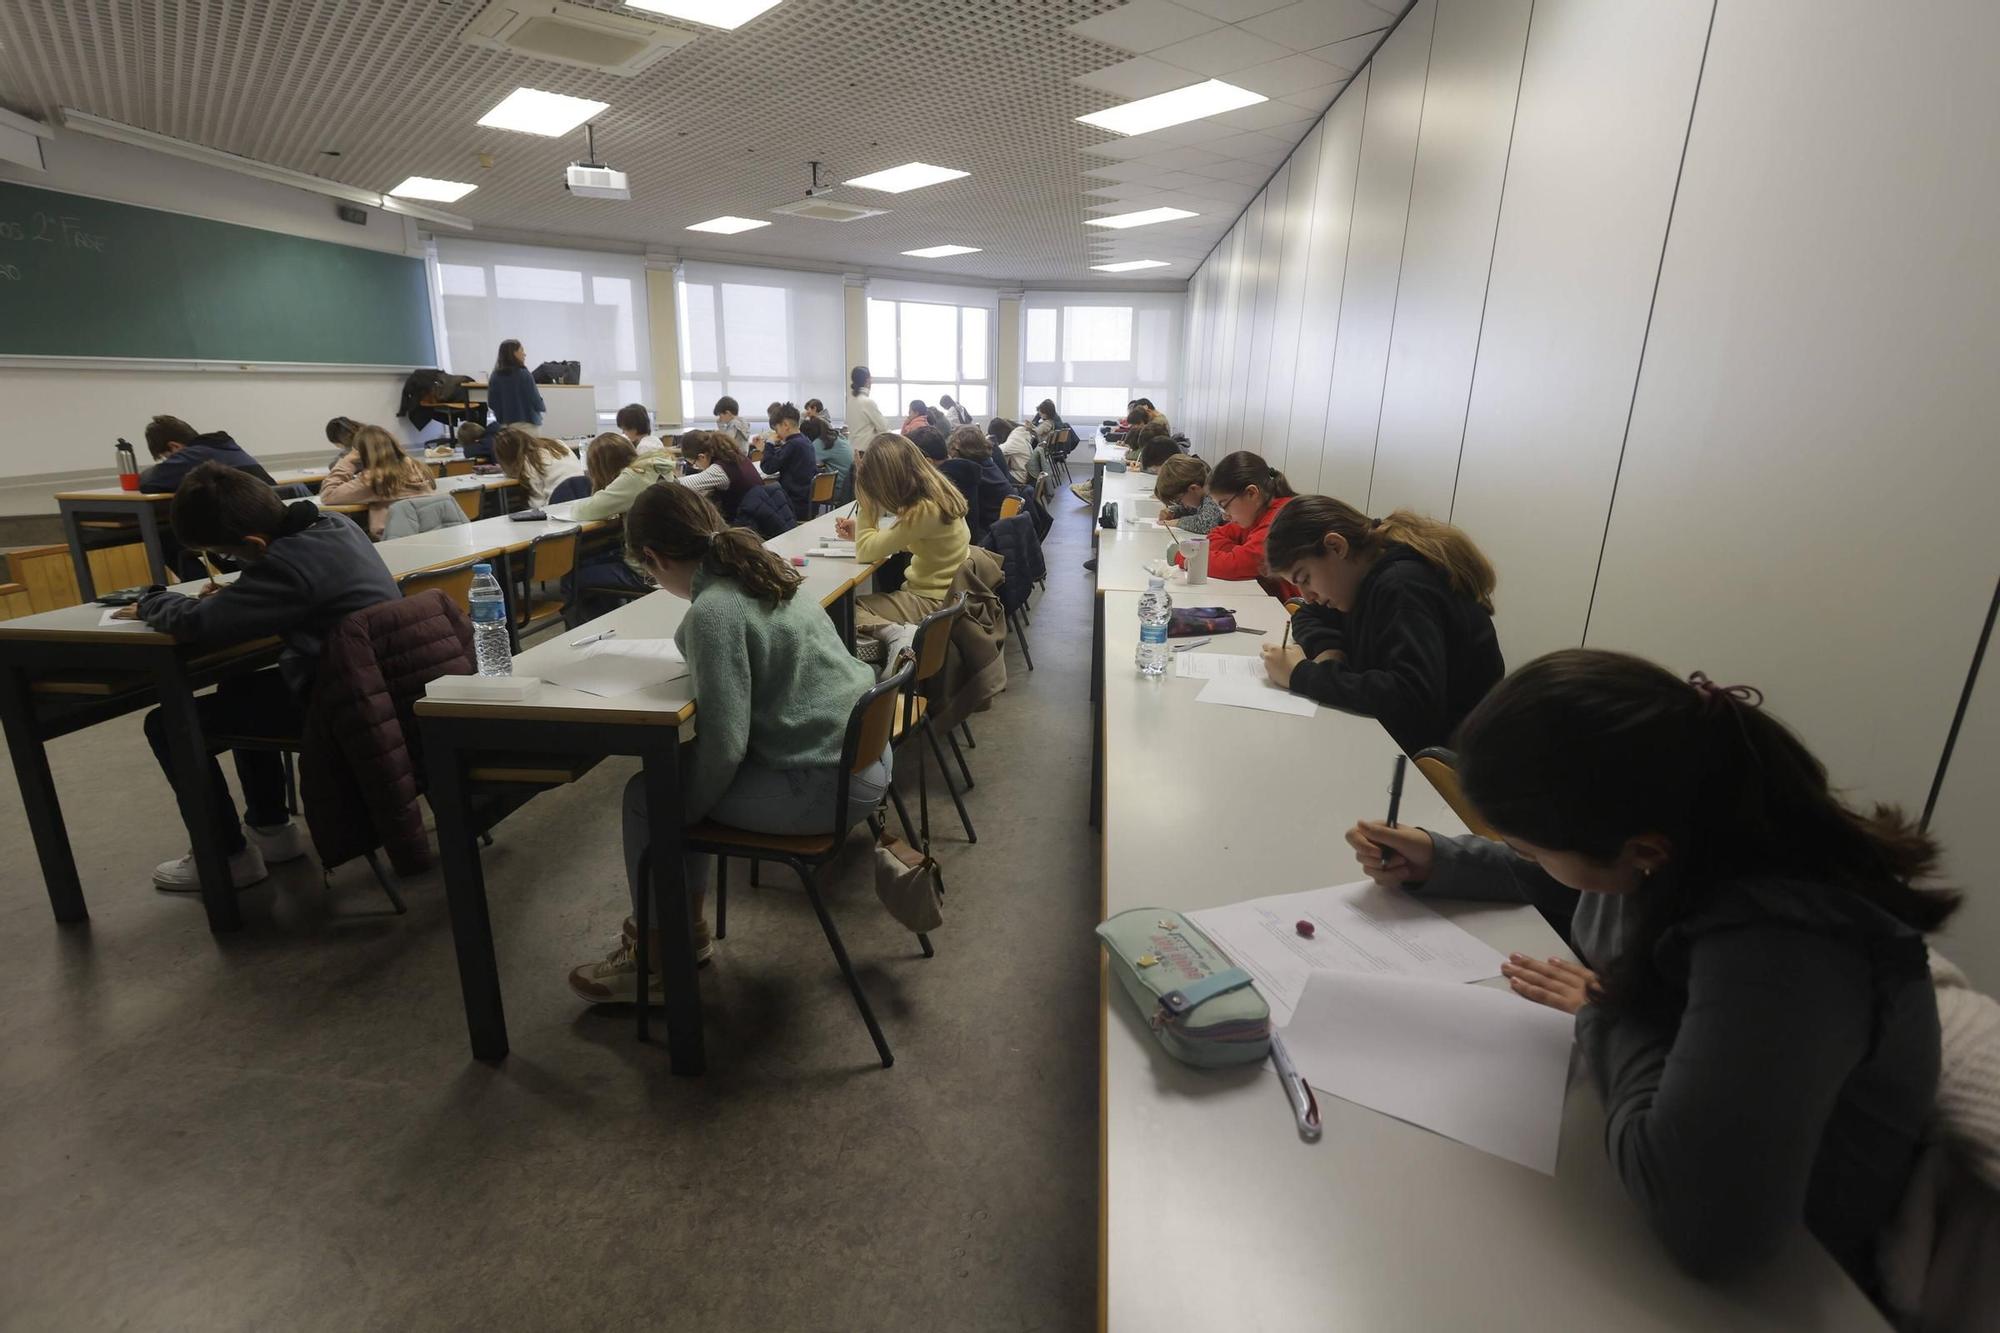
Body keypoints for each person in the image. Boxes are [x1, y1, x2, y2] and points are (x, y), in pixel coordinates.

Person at [1345, 649, 1957, 1292]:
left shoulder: (1784, 953)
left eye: (1529, 844)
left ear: (1643, 853)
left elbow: (1710, 1230)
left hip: (1804, 1281)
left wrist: (1604, 1013)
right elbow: (1572, 877)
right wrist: (1440, 859)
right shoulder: (1687, 824)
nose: (1522, 855)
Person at [566, 484, 890, 997]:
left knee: (649, 797)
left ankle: (657, 956)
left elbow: (725, 746)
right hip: (864, 761)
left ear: (652, 557)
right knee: (674, 783)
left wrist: (682, 814)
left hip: (820, 784)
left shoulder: (715, 612)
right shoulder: (767, 573)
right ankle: (683, 935)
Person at [118, 463, 398, 889]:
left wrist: (151, 601)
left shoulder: (284, 567)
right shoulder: (333, 524)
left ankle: (225, 857)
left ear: (253, 542)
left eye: (226, 555)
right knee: (241, 688)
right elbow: (304, 585)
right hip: (385, 689)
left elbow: (195, 623)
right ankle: (271, 831)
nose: (227, 563)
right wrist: (245, 591)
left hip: (343, 709)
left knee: (167, 723)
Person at [1257, 495, 1504, 754]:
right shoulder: (1356, 577)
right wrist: (1329, 650)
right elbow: (1308, 614)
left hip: (1436, 762)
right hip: (1394, 742)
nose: (1307, 595)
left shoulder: (1402, 587)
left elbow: (1411, 700)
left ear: (1336, 547)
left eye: (1305, 578)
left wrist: (1301, 675)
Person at [832, 433, 971, 662]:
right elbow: (919, 541)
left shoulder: (923, 510)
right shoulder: (938, 494)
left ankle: (897, 634)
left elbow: (865, 552)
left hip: (930, 600)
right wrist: (861, 532)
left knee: (844, 611)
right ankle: (894, 636)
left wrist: (866, 502)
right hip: (948, 592)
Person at [1178, 451, 1295, 584]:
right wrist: (1236, 552)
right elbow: (1215, 534)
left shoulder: (1279, 521)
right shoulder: (1253, 514)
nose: (1224, 515)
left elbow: (1234, 566)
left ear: (1251, 493)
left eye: (1225, 505)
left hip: (1283, 604)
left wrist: (1187, 557)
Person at [319, 423, 439, 538]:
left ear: (361, 453)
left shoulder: (374, 478)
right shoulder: (419, 468)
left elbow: (328, 495)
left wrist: (347, 461)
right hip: (426, 533)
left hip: (390, 538)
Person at [138, 415, 275, 493]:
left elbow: (147, 482)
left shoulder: (192, 455)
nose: (169, 463)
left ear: (174, 447)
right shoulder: (223, 446)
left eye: (167, 458)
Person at [492, 427, 586, 510]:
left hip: (559, 505)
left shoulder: (530, 463)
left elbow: (537, 504)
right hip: (584, 495)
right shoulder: (558, 444)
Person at [679, 429, 763, 520]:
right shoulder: (735, 456)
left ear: (702, 457)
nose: (696, 467)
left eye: (694, 463)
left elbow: (682, 484)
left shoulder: (720, 470)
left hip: (748, 523)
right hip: (761, 512)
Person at [759, 401, 817, 522]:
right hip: (807, 502)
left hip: (793, 503)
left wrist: (769, 443)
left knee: (756, 498)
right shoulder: (805, 441)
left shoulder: (792, 445)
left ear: (785, 425)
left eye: (777, 429)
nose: (777, 433)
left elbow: (767, 467)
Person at [949, 426, 1012, 537]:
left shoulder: (973, 473)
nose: (952, 454)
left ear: (964, 450)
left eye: (954, 449)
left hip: (989, 531)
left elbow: (967, 513)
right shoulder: (988, 463)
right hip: (1001, 525)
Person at [1153, 455, 1224, 535]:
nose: (1183, 505)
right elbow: (1190, 509)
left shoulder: (1212, 494)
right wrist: (1173, 512)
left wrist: (1177, 522)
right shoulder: (1199, 496)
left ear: (1193, 488)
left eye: (1180, 500)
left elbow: (1206, 524)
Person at [487, 339, 544, 427]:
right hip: (527, 424)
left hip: (505, 425)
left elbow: (492, 403)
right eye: (521, 350)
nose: (524, 354)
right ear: (514, 353)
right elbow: (535, 399)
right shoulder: (524, 374)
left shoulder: (495, 376)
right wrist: (541, 407)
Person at [801, 416, 852, 506]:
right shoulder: (839, 437)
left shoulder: (820, 443)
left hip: (839, 490)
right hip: (850, 488)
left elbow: (804, 461)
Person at [847, 367, 893, 455]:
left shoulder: (850, 401)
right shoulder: (867, 402)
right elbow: (883, 428)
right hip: (865, 452)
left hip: (853, 451)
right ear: (868, 380)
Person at [986, 416, 1035, 484]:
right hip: (1023, 472)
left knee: (989, 476)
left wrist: (987, 440)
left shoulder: (1014, 440)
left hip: (1019, 476)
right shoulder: (1017, 433)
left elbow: (997, 451)